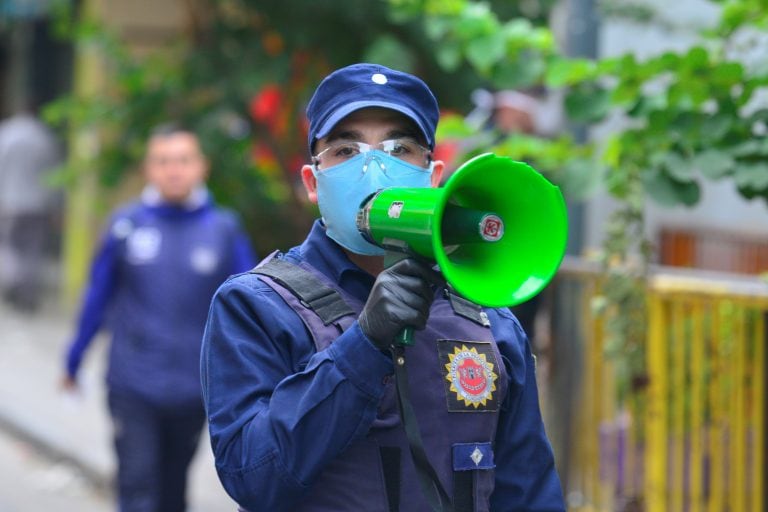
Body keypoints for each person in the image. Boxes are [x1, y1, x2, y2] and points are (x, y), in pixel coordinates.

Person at [201, 63, 565, 512]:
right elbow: (252, 477)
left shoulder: (489, 320)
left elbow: (528, 491)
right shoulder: (257, 306)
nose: (373, 166)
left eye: (400, 147)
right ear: (314, 183)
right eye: (345, 149)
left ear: (433, 177)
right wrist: (363, 345)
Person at [62, 123, 257, 512]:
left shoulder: (223, 229)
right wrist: (73, 359)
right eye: (163, 161)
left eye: (183, 160)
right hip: (133, 382)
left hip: (194, 389)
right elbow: (97, 297)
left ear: (201, 167)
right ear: (149, 169)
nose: (174, 170)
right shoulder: (126, 225)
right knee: (137, 486)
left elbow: (251, 308)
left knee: (172, 491)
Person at [0, 106, 62, 312]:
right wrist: (56, 205)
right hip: (38, 205)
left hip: (10, 202)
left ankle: (13, 284)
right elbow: (55, 175)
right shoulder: (44, 138)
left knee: (9, 246)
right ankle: (28, 292)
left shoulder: (6, 134)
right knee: (33, 251)